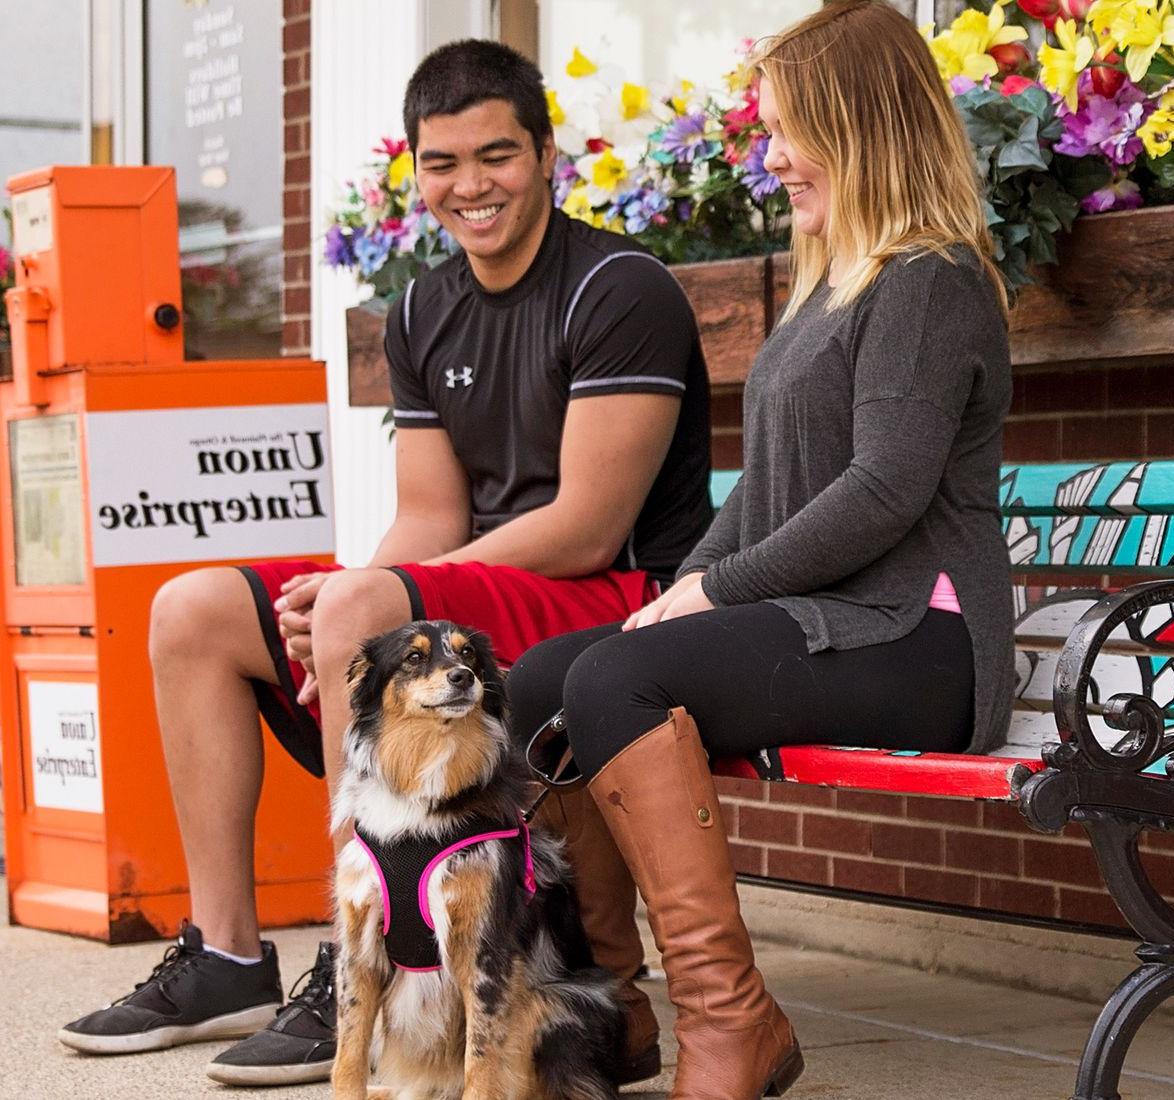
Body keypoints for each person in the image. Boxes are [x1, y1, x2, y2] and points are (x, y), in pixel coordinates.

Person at [57, 39, 711, 1089]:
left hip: (614, 599)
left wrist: (385, 603)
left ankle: (356, 950)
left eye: (495, 155)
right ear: (414, 168)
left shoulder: (618, 288)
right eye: (442, 163)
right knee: (193, 608)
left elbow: (590, 524)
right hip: (474, 587)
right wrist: (342, 605)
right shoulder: (420, 307)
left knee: (367, 596)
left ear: (546, 155)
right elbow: (427, 513)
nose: (470, 185)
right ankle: (226, 950)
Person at [504, 2, 1017, 1096]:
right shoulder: (834, 277)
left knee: (618, 675)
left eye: (789, 129)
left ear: (862, 124)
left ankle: (734, 1022)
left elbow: (882, 490)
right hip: (837, 617)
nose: (771, 155)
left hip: (919, 633)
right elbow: (770, 489)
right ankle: (608, 1008)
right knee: (548, 679)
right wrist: (691, 584)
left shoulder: (928, 280)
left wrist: (717, 591)